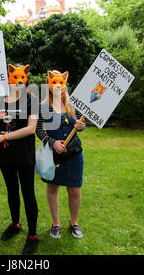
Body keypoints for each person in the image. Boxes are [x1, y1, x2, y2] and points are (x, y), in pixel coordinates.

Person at [0, 64, 39, 255]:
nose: (19, 81)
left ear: (26, 77)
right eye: (15, 77)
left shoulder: (31, 100)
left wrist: (3, 137)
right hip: (5, 155)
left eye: (22, 77)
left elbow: (31, 129)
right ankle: (15, 224)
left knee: (28, 193)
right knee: (12, 191)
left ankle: (32, 236)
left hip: (24, 155)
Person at [36, 70, 86, 239]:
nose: (57, 86)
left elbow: (80, 123)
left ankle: (74, 223)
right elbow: (38, 130)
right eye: (54, 83)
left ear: (64, 83)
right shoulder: (43, 106)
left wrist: (81, 126)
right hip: (54, 155)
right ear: (49, 84)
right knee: (52, 188)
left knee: (75, 190)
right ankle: (55, 223)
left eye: (60, 83)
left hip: (74, 153)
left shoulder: (72, 104)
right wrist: (52, 142)